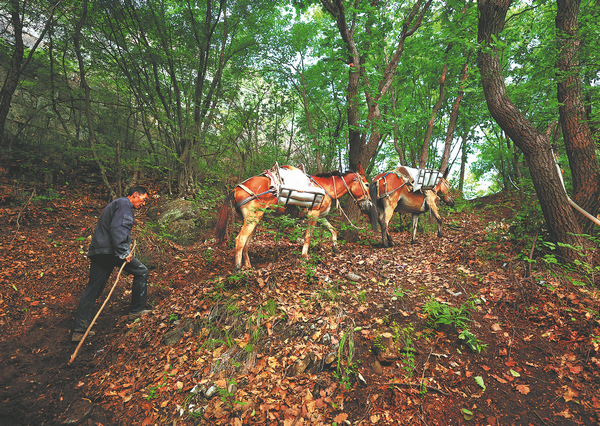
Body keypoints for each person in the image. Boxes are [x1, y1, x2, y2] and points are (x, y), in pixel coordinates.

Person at [72, 186, 151, 342]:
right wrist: (123, 251)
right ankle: (136, 310)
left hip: (100, 252)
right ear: (135, 195)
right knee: (141, 271)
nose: (143, 203)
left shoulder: (117, 204)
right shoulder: (125, 205)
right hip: (112, 251)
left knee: (93, 289)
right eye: (143, 199)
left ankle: (79, 330)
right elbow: (118, 227)